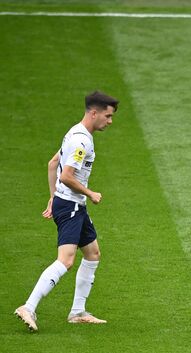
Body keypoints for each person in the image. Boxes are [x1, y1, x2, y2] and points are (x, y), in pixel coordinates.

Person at [14, 91, 119, 332]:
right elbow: (66, 175)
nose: (110, 121)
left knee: (92, 254)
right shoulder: (81, 141)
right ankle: (28, 307)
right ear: (94, 113)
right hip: (71, 206)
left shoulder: (74, 132)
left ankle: (77, 312)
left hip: (71, 204)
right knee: (67, 260)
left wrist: (53, 197)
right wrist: (90, 193)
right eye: (108, 116)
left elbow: (53, 163)